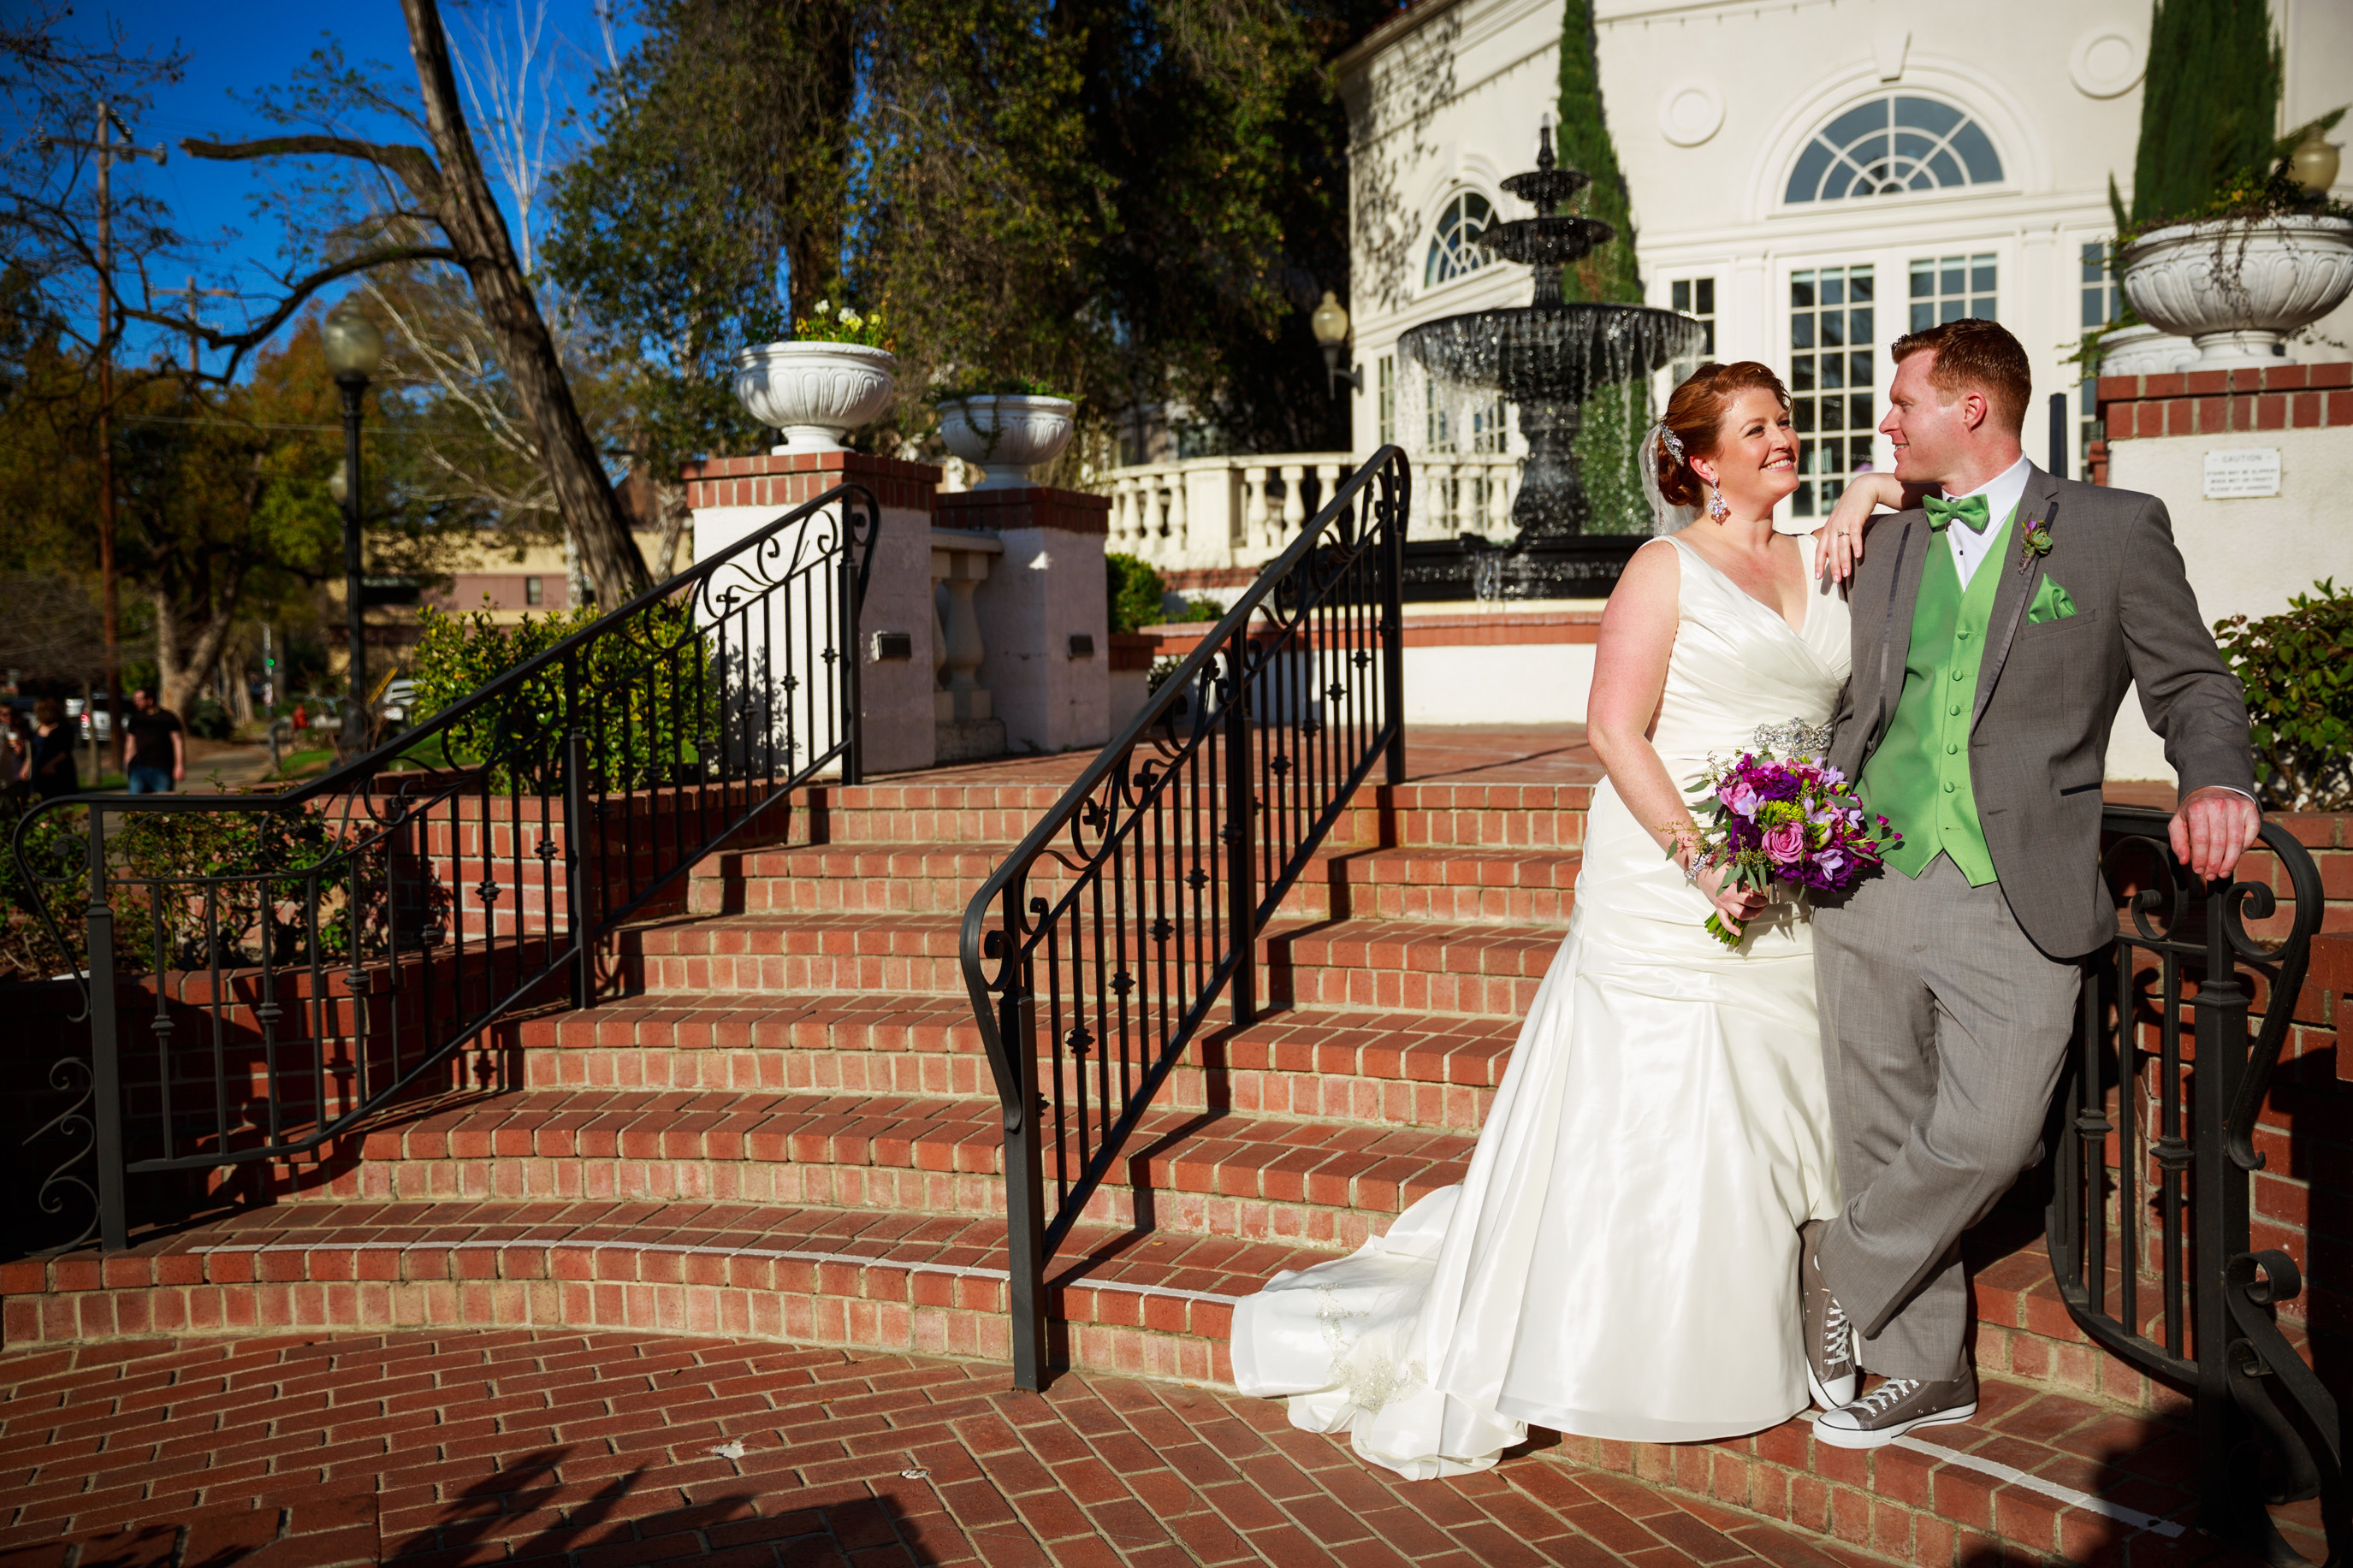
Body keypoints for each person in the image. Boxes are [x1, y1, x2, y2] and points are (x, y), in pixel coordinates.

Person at [1230, 363, 1857, 1477]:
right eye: (1757, 428)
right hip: (1671, 873)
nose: (1783, 440)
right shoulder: (1663, 567)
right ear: (1701, 460)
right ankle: (1634, 1347)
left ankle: (1772, 1322)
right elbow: (1613, 729)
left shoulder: (1823, 556)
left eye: (1786, 422)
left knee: (1772, 1103)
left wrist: (1866, 489)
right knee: (1674, 1105)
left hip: (1790, 876)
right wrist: (1700, 864)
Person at [1799, 317, 2260, 1447]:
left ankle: (1835, 1264)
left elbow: (2191, 682)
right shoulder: (1885, 541)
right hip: (1867, 876)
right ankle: (1926, 1371)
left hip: (2016, 889)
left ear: (1971, 408)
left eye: (1900, 404)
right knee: (1877, 1129)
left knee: (1993, 1134)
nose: (1884, 424)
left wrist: (2214, 779)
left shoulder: (2110, 529)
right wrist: (1865, 490)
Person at [123, 686, 186, 795]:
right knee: (134, 802)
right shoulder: (135, 719)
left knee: (163, 802)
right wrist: (126, 765)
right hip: (139, 769)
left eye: (139, 700)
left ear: (150, 700)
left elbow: (178, 742)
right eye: (135, 699)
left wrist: (179, 765)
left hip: (162, 769)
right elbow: (130, 744)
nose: (135, 702)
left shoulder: (168, 718)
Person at [27, 697, 80, 800]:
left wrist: (50, 765)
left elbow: (65, 750)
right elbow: (33, 749)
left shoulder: (63, 728)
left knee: (61, 801)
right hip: (39, 771)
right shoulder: (38, 728)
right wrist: (28, 765)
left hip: (58, 770)